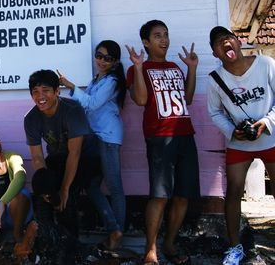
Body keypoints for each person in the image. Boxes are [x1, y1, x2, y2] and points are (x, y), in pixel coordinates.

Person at [125, 19, 199, 265]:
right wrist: (137, 67)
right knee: (160, 195)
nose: (164, 39)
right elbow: (141, 100)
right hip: (159, 138)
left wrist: (191, 69)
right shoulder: (138, 68)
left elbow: (187, 99)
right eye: (157, 35)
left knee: (183, 195)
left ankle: (170, 244)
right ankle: (150, 249)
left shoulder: (176, 67)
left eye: (166, 34)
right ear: (146, 42)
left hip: (185, 135)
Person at [206, 26, 275, 265]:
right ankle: (235, 247)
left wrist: (266, 123)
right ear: (215, 53)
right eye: (218, 43)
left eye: (228, 38)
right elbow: (214, 112)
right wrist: (231, 131)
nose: (225, 43)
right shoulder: (216, 79)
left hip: (271, 138)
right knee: (234, 192)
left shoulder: (265, 64)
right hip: (240, 143)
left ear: (237, 42)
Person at [23, 69, 99, 263]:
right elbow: (38, 157)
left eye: (45, 90)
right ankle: (49, 240)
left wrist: (64, 189)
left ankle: (71, 249)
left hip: (85, 157)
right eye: (35, 92)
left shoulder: (72, 109)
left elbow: (75, 153)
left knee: (68, 198)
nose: (40, 97)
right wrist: (47, 187)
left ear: (57, 91)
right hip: (57, 158)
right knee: (42, 193)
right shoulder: (30, 118)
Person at [58, 39, 127, 251]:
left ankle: (117, 234)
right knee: (92, 186)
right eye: (99, 56)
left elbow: (91, 103)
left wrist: (70, 85)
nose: (102, 61)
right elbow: (86, 104)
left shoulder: (112, 81)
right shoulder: (98, 79)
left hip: (107, 137)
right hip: (95, 137)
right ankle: (114, 229)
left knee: (114, 187)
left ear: (115, 62)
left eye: (108, 58)